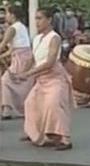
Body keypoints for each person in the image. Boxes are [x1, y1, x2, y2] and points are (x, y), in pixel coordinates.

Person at [16, 8, 74, 150]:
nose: (37, 22)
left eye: (40, 18)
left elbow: (50, 62)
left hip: (54, 77)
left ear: (49, 20)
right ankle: (36, 134)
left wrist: (29, 73)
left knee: (53, 105)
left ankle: (65, 139)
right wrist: (21, 71)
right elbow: (33, 58)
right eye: (36, 18)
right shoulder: (37, 38)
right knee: (31, 103)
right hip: (41, 78)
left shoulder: (54, 37)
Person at [0, 5, 34, 119]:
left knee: (6, 81)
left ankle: (7, 109)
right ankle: (19, 108)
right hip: (24, 56)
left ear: (12, 15)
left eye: (7, 13)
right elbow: (13, 49)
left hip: (20, 58)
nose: (6, 16)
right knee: (21, 83)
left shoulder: (12, 29)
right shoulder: (22, 27)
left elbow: (2, 46)